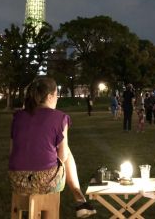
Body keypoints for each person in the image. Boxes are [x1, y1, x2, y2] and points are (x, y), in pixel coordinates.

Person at [9, 77, 96, 218]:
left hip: (16, 179)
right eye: (56, 95)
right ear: (49, 96)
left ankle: (80, 200)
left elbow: (12, 151)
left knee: (55, 150)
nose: (57, 99)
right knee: (66, 150)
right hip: (45, 181)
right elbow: (62, 156)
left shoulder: (17, 116)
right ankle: (79, 199)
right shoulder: (60, 117)